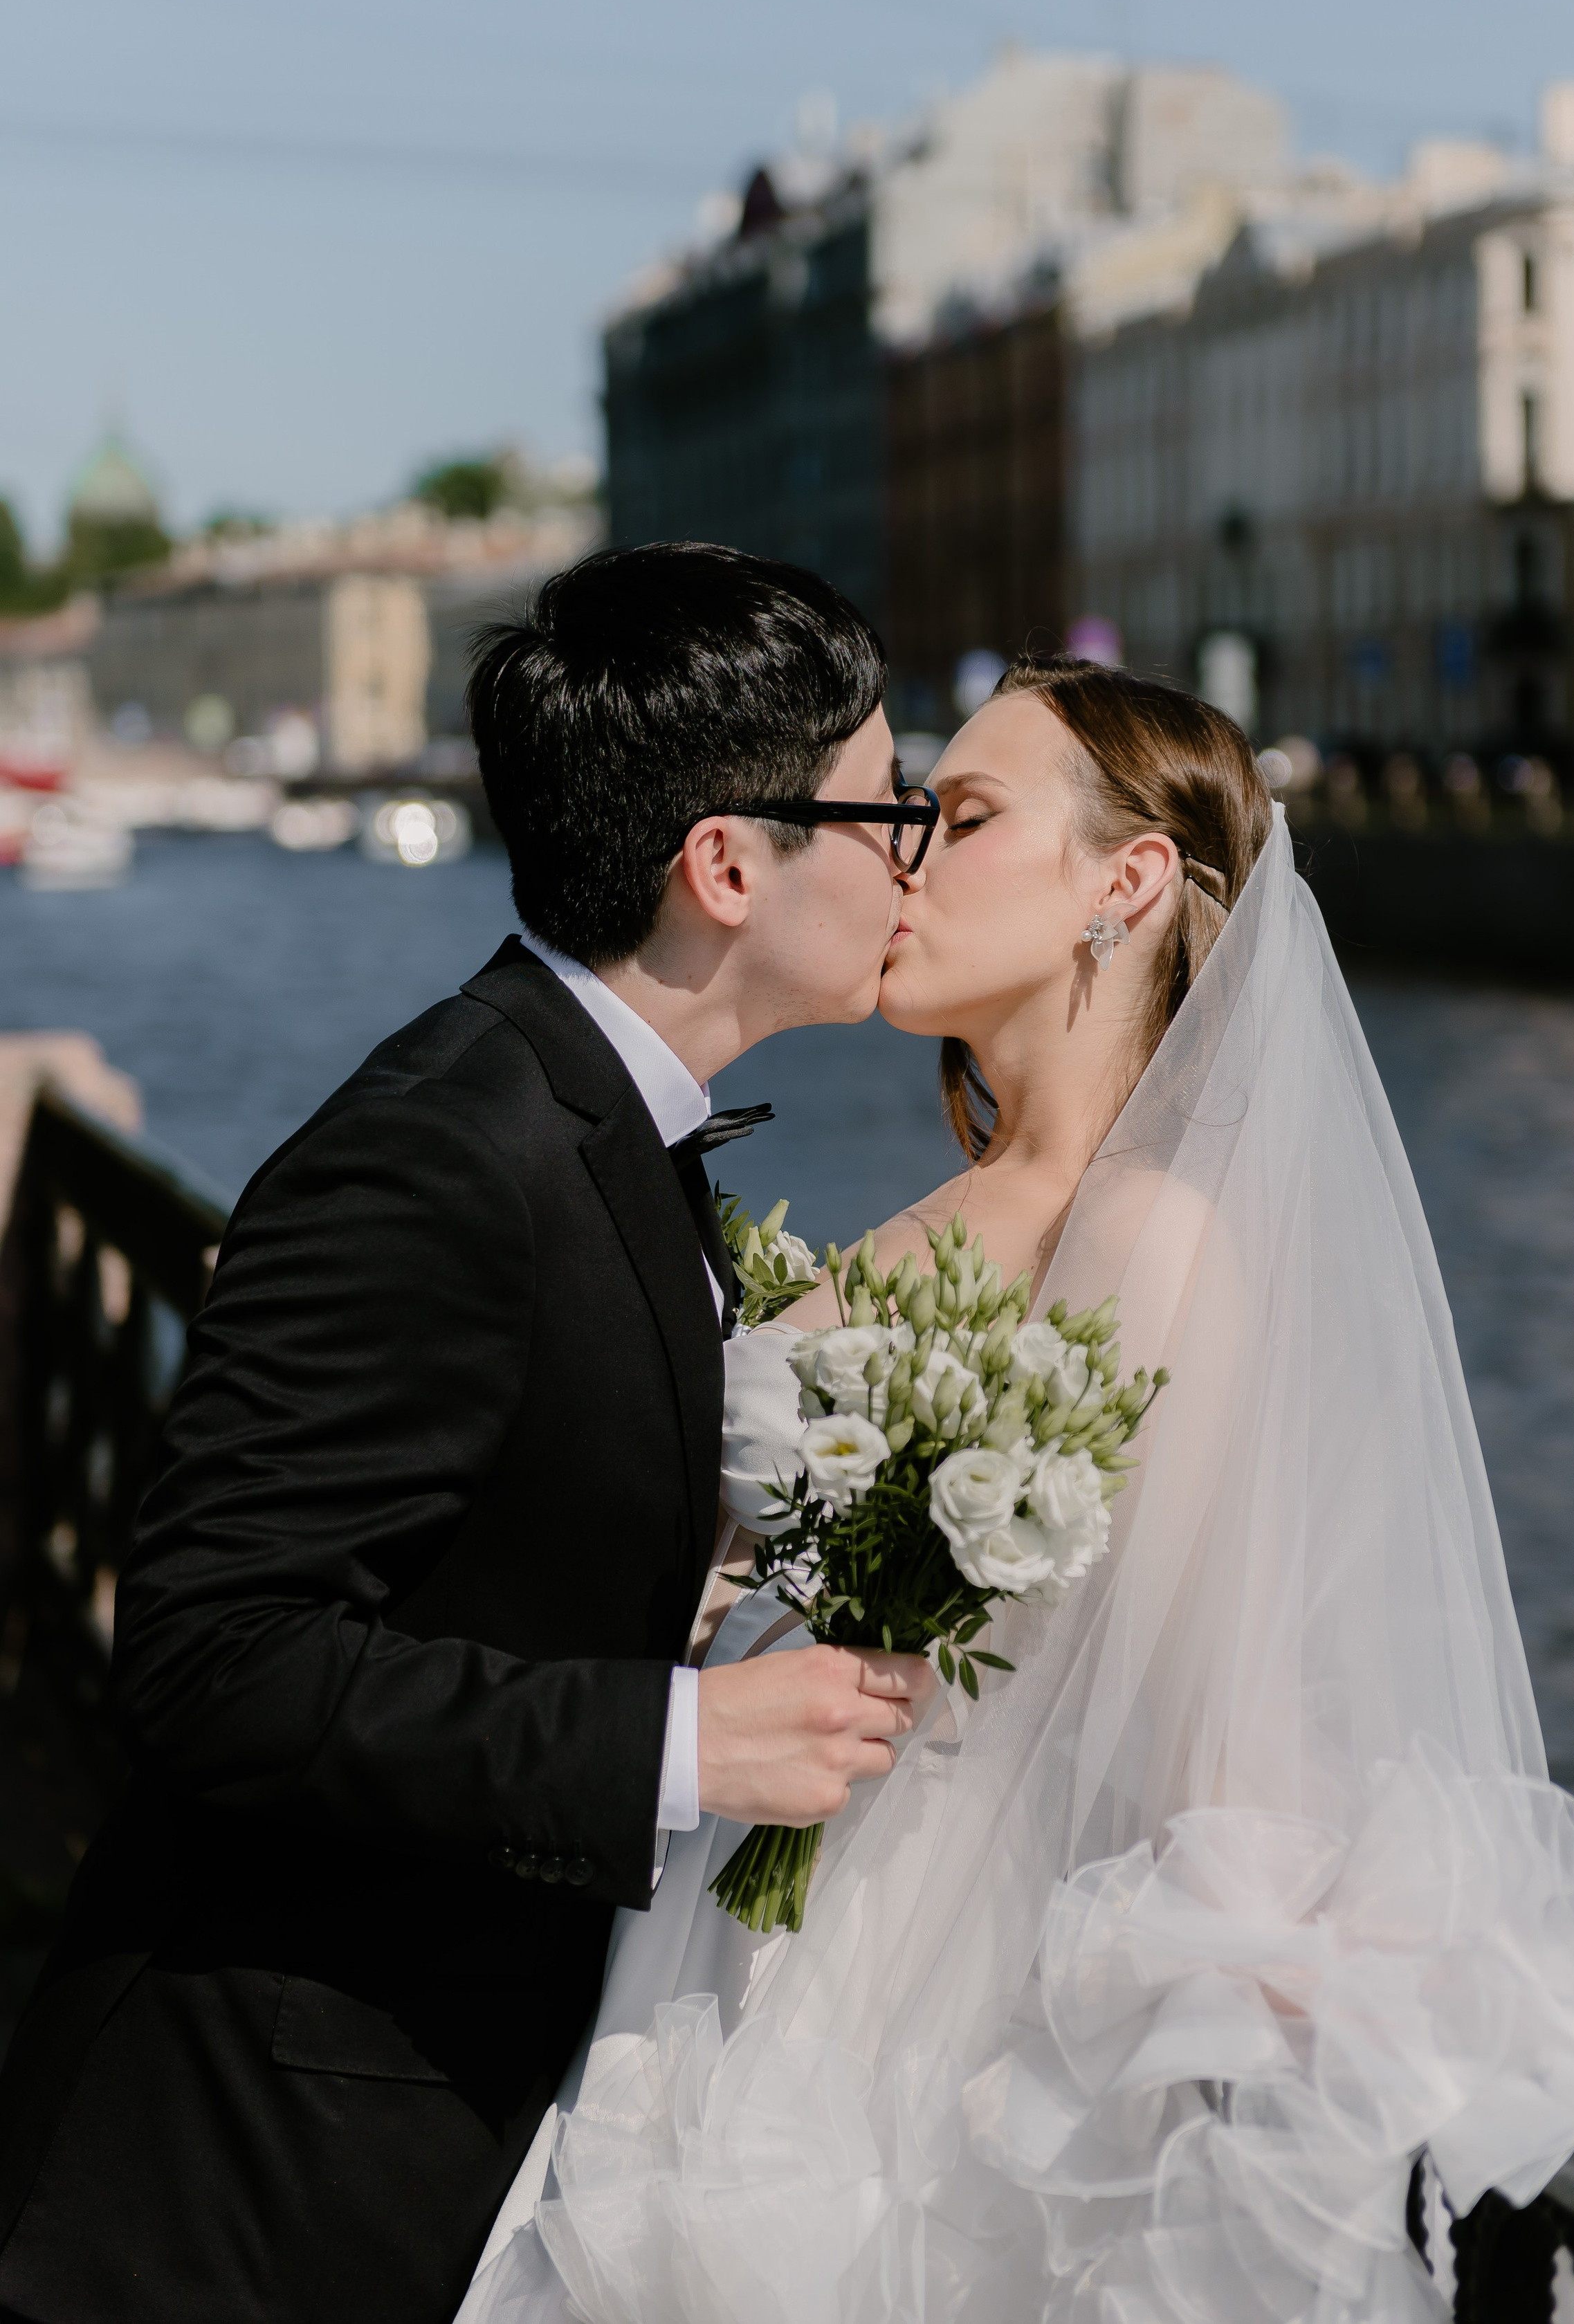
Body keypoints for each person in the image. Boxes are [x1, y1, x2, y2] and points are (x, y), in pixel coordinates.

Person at [467, 656, 1574, 2324]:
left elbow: (1206, 1706)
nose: (904, 852)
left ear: (1125, 882)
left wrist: (1278, 1995)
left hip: (909, 1982)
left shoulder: (1149, 1232)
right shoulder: (968, 1201)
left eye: (964, 817)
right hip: (745, 1913)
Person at [0, 544, 933, 2324]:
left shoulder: (585, 1113)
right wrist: (681, 1742)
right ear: (726, 865)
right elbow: (207, 1656)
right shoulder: (436, 1152)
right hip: (233, 2188)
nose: (913, 852)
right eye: (886, 805)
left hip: (411, 2127)